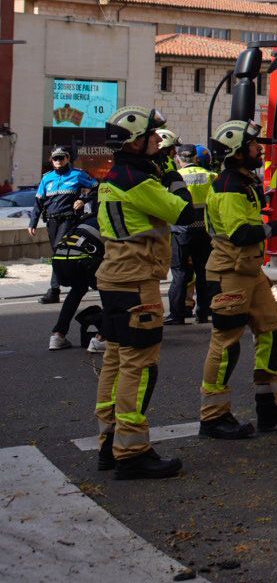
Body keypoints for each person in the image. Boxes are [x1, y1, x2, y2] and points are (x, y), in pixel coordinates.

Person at [94, 105, 197, 479]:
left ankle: (109, 442)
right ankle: (132, 451)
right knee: (140, 365)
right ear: (135, 143)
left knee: (116, 361)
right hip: (137, 280)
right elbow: (184, 212)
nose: (158, 141)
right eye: (152, 137)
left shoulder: (114, 177)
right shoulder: (138, 181)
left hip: (114, 277)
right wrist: (173, 175)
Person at [198, 119, 277, 440]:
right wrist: (276, 228)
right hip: (229, 273)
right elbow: (239, 233)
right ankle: (213, 417)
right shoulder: (229, 186)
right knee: (226, 345)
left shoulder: (242, 180)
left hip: (249, 271)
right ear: (236, 152)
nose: (258, 149)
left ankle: (270, 406)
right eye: (252, 145)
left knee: (272, 333)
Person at [30, 148, 99, 304]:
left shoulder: (78, 174)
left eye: (61, 158)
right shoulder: (47, 178)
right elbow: (38, 202)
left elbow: (96, 187)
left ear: (68, 158)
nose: (58, 161)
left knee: (59, 252)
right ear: (51, 160)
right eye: (55, 158)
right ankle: (85, 280)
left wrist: (83, 199)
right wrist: (32, 222)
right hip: (52, 221)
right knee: (60, 252)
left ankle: (54, 290)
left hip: (69, 219)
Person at [166, 144, 215, 325]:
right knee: (202, 272)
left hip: (180, 231)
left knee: (179, 272)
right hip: (203, 230)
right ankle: (202, 312)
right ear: (196, 158)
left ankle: (177, 314)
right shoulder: (210, 176)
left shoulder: (176, 178)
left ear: (178, 159)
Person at [47, 216, 104, 351]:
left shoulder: (85, 220)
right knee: (108, 289)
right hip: (81, 258)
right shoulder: (107, 218)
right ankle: (102, 338)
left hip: (60, 259)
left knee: (78, 289)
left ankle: (58, 336)